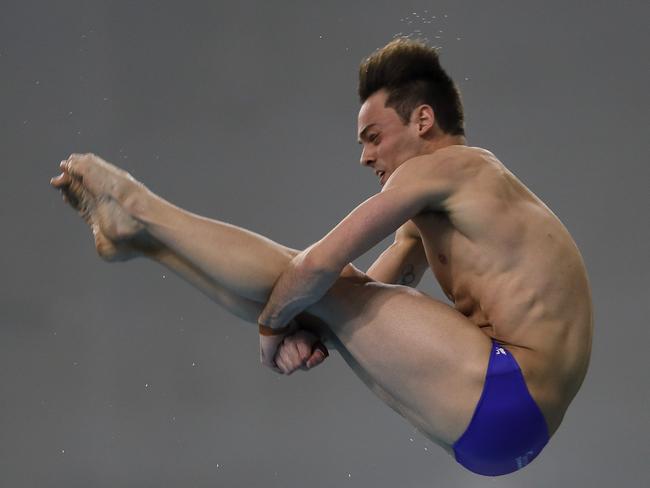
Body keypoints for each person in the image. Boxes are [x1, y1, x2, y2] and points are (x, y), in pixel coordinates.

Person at [50, 38, 593, 476]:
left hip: (505, 390)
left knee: (312, 283)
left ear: (423, 121)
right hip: (508, 426)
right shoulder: (452, 203)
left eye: (374, 137)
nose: (366, 157)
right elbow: (362, 290)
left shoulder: (448, 170)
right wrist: (305, 330)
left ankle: (140, 208)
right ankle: (140, 240)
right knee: (316, 301)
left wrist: (270, 328)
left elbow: (319, 266)